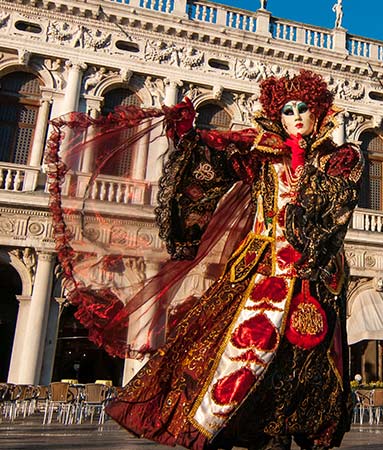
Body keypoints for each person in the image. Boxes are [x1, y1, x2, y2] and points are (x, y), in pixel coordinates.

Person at [46, 70, 363, 450]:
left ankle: (291, 426)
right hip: (261, 269)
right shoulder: (260, 155)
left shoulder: (337, 161)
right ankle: (232, 423)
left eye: (303, 109)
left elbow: (335, 212)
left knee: (304, 360)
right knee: (236, 346)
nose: (295, 117)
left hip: (314, 274)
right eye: (287, 110)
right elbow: (216, 157)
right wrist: (190, 137)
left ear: (318, 113)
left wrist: (307, 224)